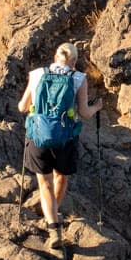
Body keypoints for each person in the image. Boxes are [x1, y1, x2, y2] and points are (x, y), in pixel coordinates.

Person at [18, 42, 103, 249]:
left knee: (44, 182)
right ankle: (53, 211)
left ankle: (53, 227)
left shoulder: (37, 74)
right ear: (73, 61)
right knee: (61, 179)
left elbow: (22, 106)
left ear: (56, 57)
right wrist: (97, 107)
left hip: (39, 137)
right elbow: (84, 113)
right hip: (65, 138)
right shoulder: (78, 78)